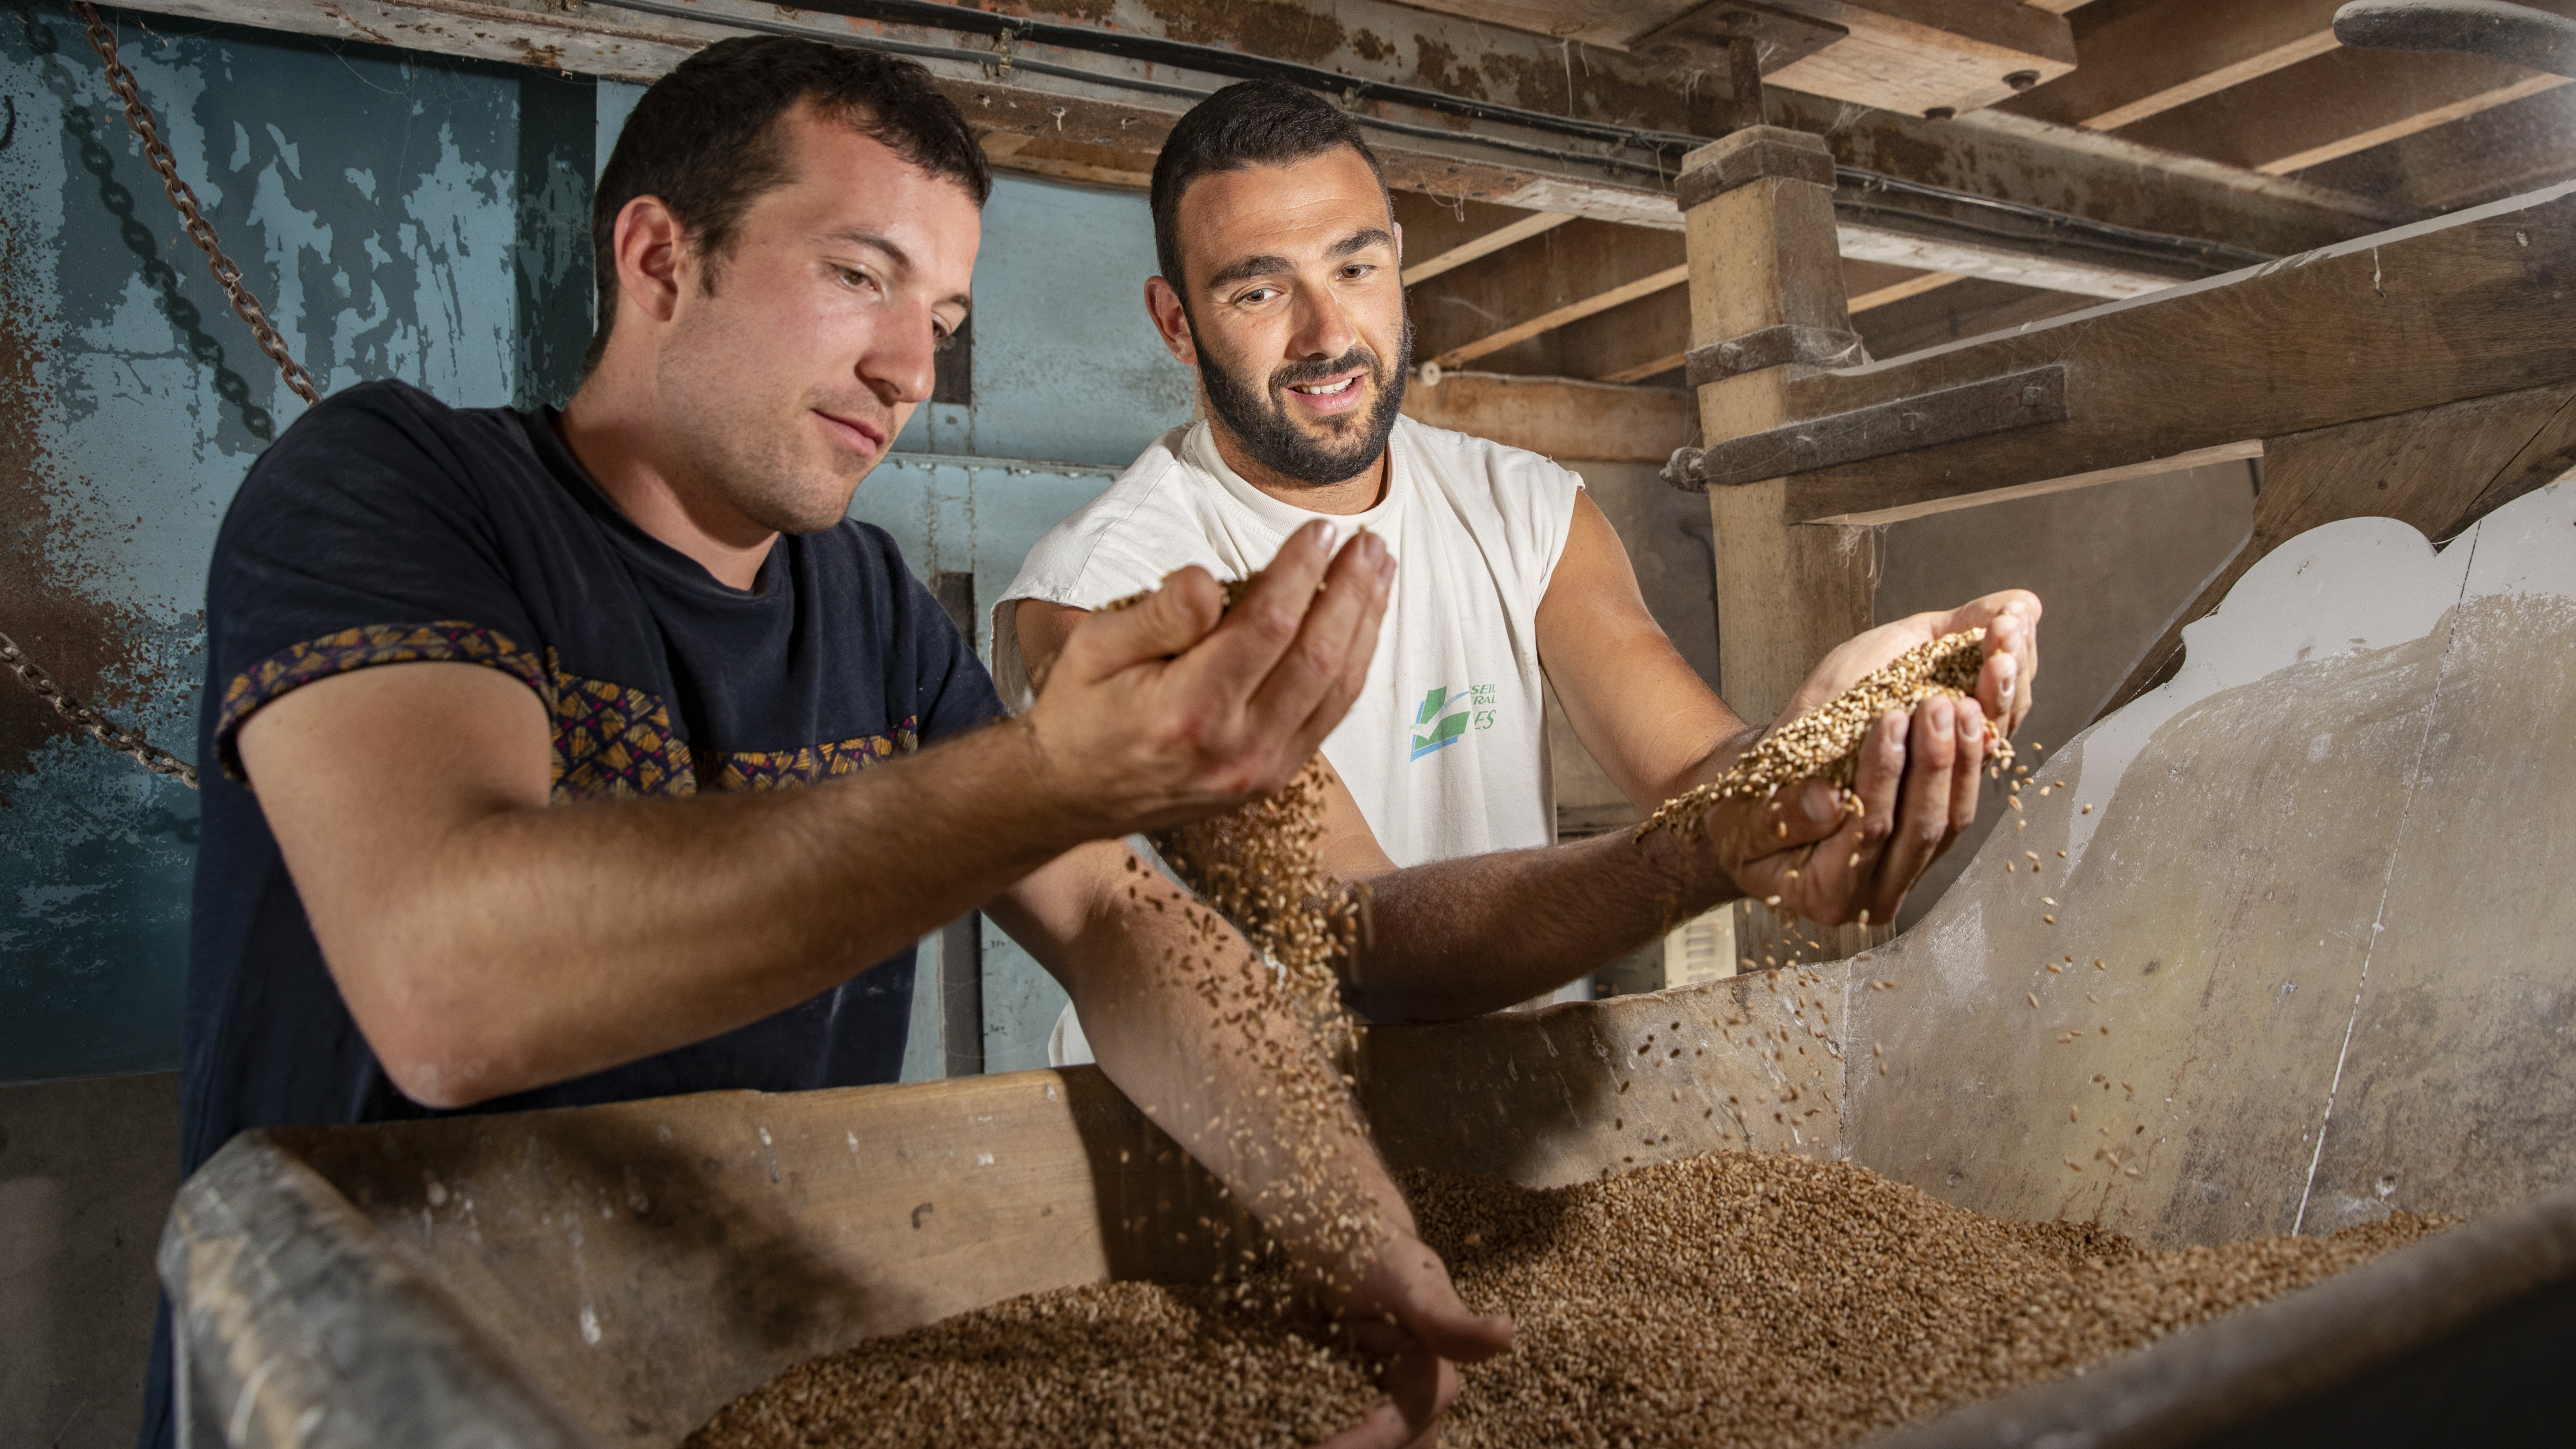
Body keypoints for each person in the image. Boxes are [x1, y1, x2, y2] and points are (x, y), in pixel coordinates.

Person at [144, 40, 1513, 1449]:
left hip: (731, 1390)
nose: (910, 364)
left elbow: (1116, 910)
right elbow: (446, 985)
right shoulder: (402, 488)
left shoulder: (867, 608)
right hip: (373, 1394)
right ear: (662, 258)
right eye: (859, 276)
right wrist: (1046, 774)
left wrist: (1354, 1225)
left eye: (943, 312)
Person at [999, 81, 2041, 1055]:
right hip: (1204, 1170)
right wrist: (1712, 850)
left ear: (1397, 263)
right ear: (1176, 323)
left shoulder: (1527, 509)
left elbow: (1692, 772)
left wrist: (1815, 748)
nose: (1328, 335)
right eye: (1258, 291)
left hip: (1494, 1124)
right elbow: (1352, 936)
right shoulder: (1106, 591)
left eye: (1354, 269)